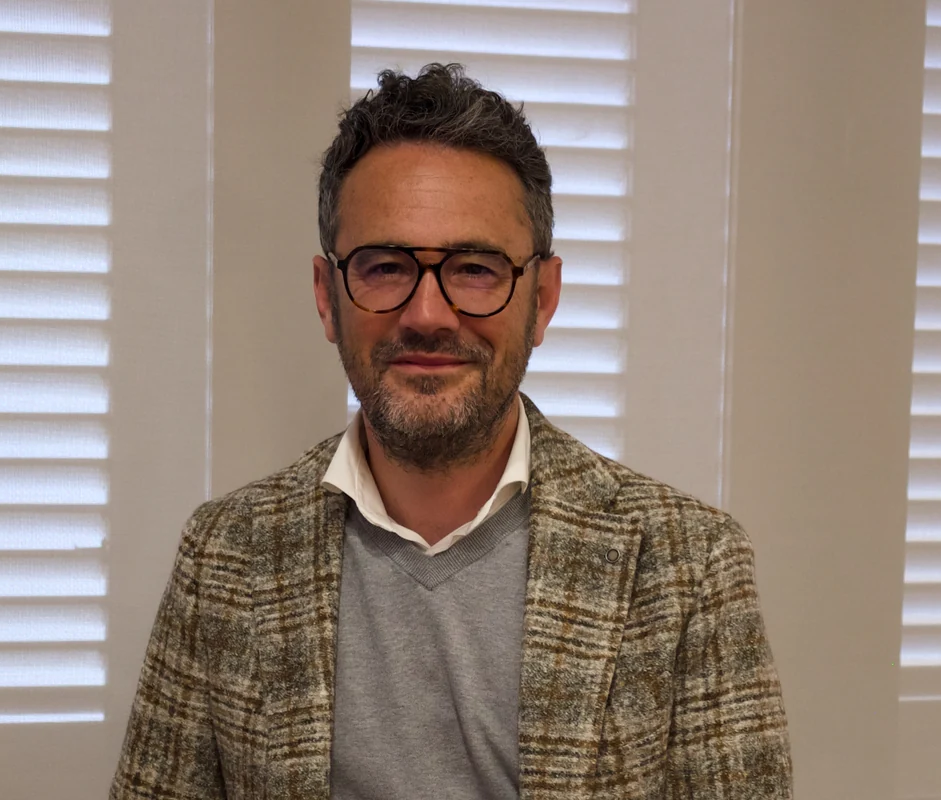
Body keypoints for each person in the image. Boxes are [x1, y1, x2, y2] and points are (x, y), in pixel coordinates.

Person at [111, 63, 791, 800]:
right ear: (327, 297)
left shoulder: (689, 566)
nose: (428, 314)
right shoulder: (224, 555)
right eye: (383, 266)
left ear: (543, 298)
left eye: (474, 268)